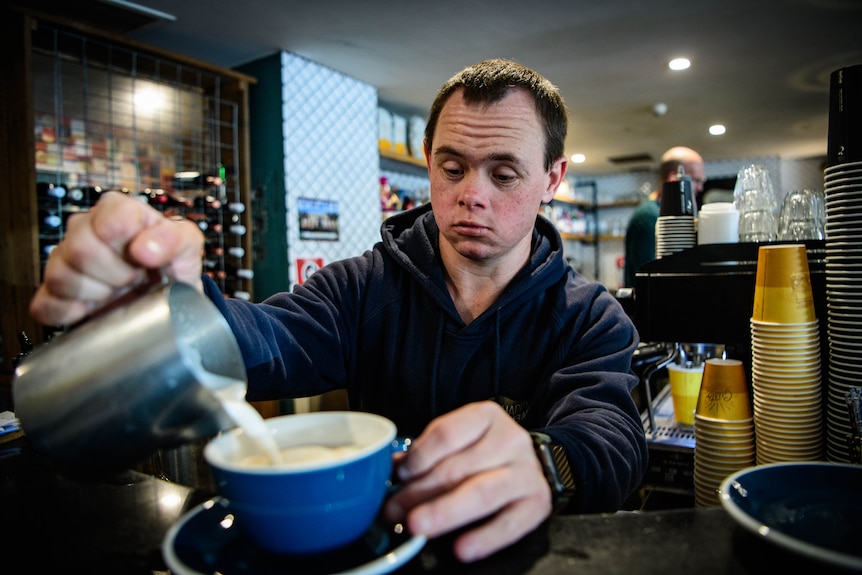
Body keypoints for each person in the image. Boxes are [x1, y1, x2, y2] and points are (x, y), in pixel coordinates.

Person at [30, 59, 648, 563]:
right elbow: (268, 337)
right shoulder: (362, 288)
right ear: (428, 158)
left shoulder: (590, 316)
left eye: (505, 174)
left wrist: (546, 460)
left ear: (552, 178)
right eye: (452, 168)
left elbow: (612, 441)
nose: (471, 197)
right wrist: (168, 303)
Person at [623, 146, 705, 287]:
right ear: (674, 179)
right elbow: (649, 274)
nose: (700, 187)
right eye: (696, 180)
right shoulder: (649, 216)